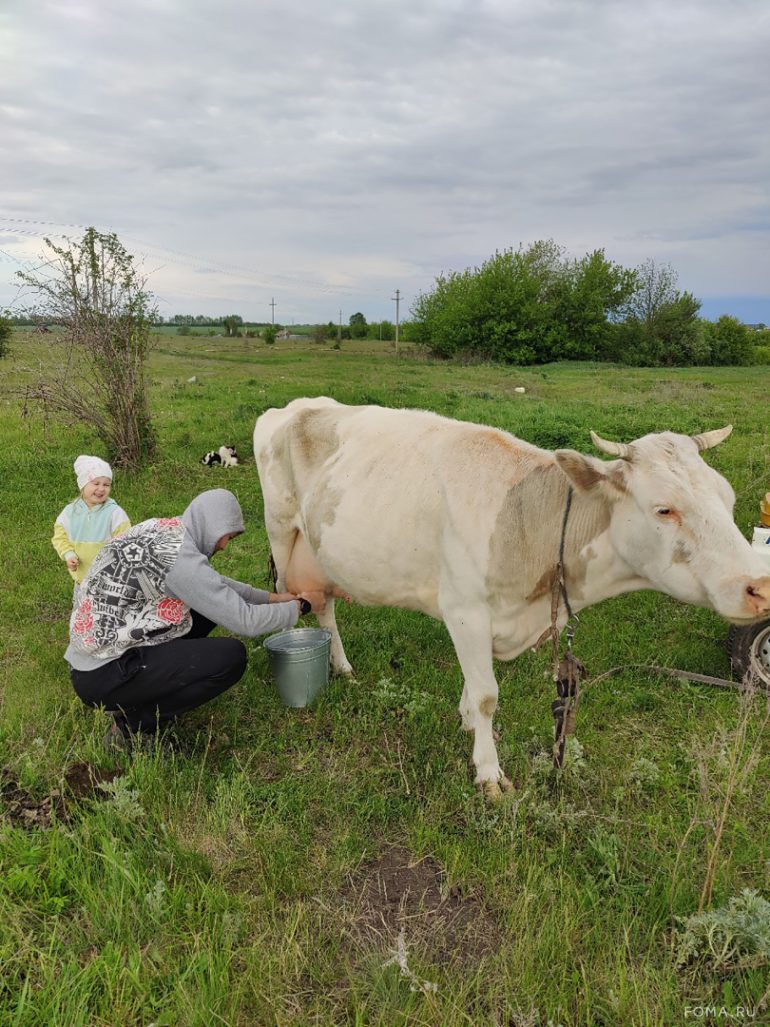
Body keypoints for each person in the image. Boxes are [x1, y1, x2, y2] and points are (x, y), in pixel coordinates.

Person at [65, 488, 323, 752]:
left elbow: (214, 586)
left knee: (205, 607)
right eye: (228, 537)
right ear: (213, 525)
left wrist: (272, 599)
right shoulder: (179, 560)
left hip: (97, 657)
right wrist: (301, 607)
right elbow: (246, 622)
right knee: (230, 658)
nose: (224, 546)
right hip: (102, 673)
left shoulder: (167, 534)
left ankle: (137, 696)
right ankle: (131, 727)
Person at [52, 455, 131, 585]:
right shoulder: (69, 512)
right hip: (81, 579)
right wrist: (68, 554)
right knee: (81, 604)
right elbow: (60, 537)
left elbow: (126, 541)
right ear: (83, 485)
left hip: (109, 579)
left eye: (106, 484)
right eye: (96, 483)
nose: (101, 489)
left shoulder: (114, 513)